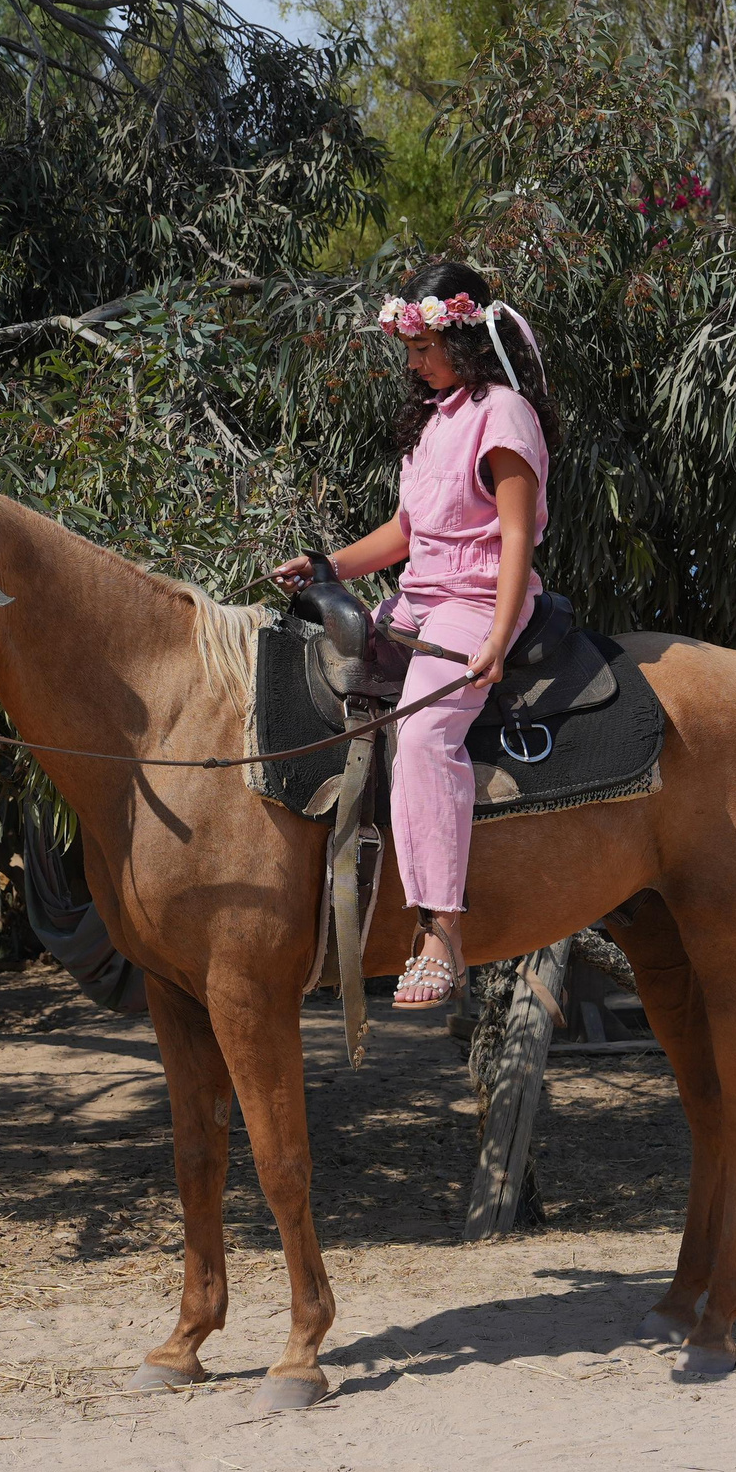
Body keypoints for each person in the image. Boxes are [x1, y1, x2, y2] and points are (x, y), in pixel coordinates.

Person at [271, 262, 560, 1004]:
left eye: (424, 344)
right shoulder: (434, 419)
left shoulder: (504, 414)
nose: (413, 359)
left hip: (476, 601)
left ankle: (442, 931)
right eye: (410, 345)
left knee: (427, 733)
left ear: (463, 339)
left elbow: (518, 533)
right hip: (417, 599)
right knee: (324, 683)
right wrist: (327, 565)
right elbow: (407, 531)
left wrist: (497, 633)